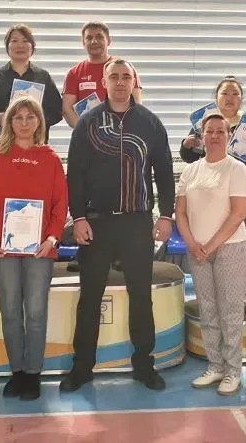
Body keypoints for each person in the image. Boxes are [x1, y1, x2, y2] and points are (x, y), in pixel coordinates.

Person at [60, 58, 174, 392]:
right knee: (90, 298)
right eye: (114, 77)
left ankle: (144, 365)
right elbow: (75, 174)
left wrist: (166, 215)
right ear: (104, 82)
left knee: (141, 297)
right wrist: (78, 217)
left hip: (137, 224)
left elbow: (164, 173)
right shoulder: (88, 123)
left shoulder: (150, 123)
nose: (121, 82)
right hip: (96, 223)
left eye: (127, 77)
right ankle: (82, 367)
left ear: (134, 83)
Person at [0, 96, 68, 401]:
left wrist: (52, 239)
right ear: (9, 122)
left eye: (30, 117)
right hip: (2, 249)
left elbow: (60, 203)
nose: (24, 123)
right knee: (11, 311)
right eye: (18, 117)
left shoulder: (50, 158)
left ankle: (32, 373)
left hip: (40, 249)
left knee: (37, 312)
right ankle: (16, 371)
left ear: (39, 122)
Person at [176, 113, 246, 396]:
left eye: (221, 131)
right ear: (202, 136)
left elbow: (239, 213)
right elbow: (180, 212)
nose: (215, 136)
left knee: (230, 311)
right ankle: (215, 365)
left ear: (229, 136)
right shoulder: (190, 171)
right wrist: (192, 243)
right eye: (210, 131)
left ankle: (233, 371)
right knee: (207, 310)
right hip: (198, 250)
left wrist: (212, 245)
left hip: (230, 248)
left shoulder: (236, 169)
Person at [180, 76, 246, 310]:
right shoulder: (205, 124)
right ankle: (211, 291)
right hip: (210, 195)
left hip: (245, 194)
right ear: (216, 97)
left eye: (235, 93)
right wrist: (187, 145)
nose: (229, 98)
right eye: (224, 93)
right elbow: (188, 157)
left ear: (241, 98)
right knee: (209, 238)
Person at [0, 24, 64, 142]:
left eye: (25, 41)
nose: (20, 45)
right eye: (14, 41)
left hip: (36, 143)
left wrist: (37, 121)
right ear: (7, 47)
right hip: (5, 143)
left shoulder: (43, 76)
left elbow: (57, 112)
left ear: (32, 47)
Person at [61, 22, 142, 127]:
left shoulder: (126, 68)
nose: (94, 41)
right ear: (83, 42)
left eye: (99, 37)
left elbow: (136, 105)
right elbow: (67, 109)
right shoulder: (74, 73)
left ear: (109, 40)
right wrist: (85, 131)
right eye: (89, 38)